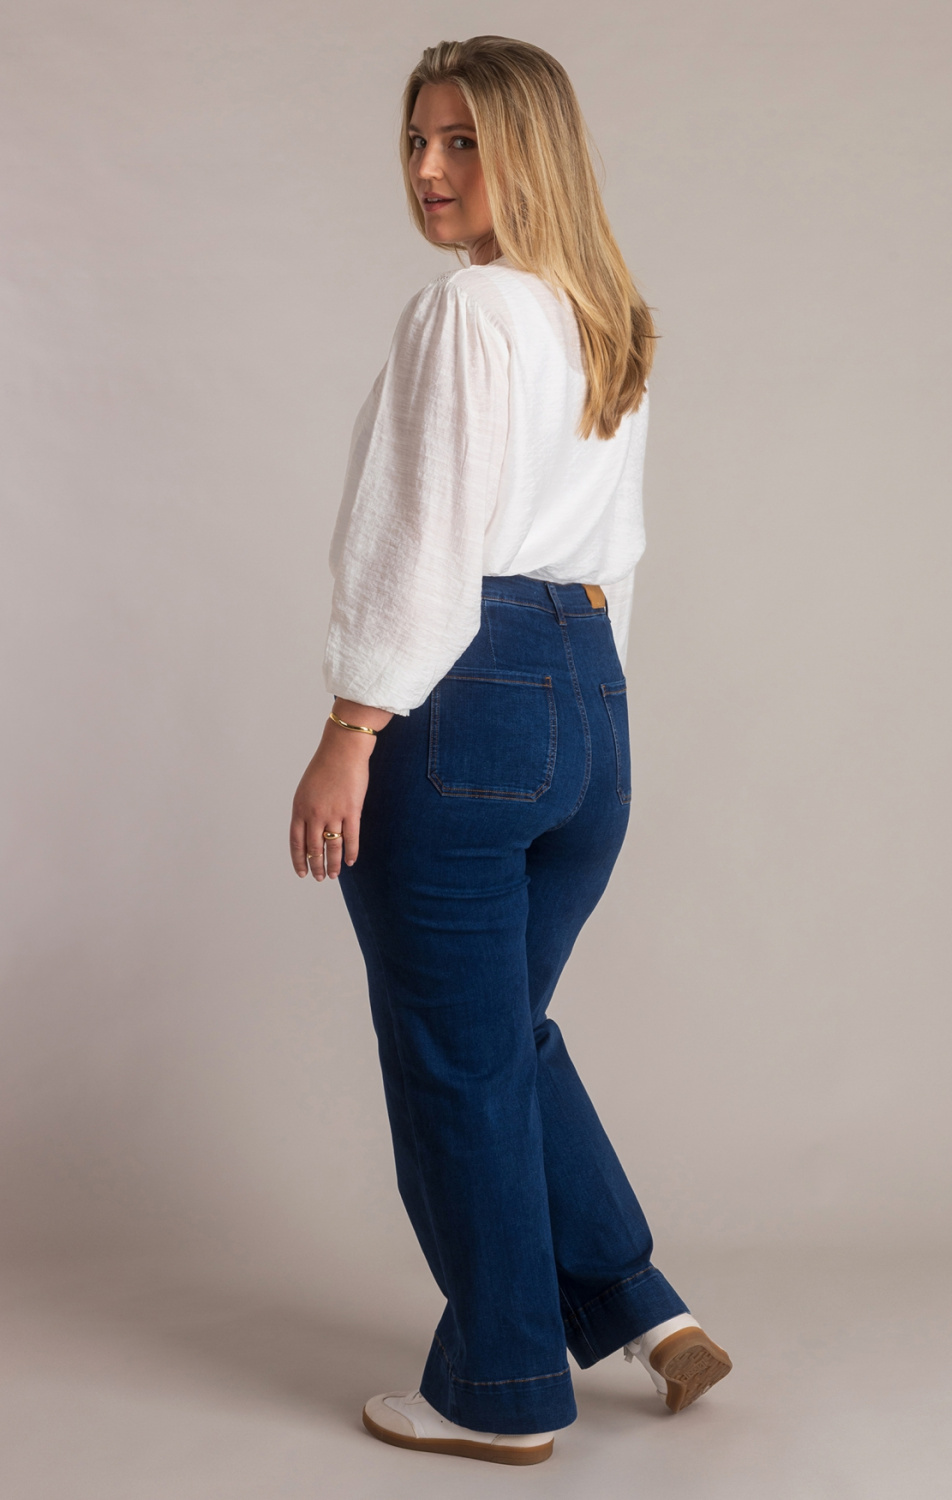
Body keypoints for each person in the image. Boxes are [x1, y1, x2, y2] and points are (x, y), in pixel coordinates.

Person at [289, 35, 731, 1466]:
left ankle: (502, 1390)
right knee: (497, 1038)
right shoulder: (608, 320)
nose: (428, 170)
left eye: (463, 141)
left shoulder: (466, 310)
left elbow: (420, 540)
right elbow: (617, 556)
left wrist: (352, 725)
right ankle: (637, 1302)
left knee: (453, 1060)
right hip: (587, 702)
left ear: (531, 151)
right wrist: (579, 719)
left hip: (463, 703)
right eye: (417, 140)